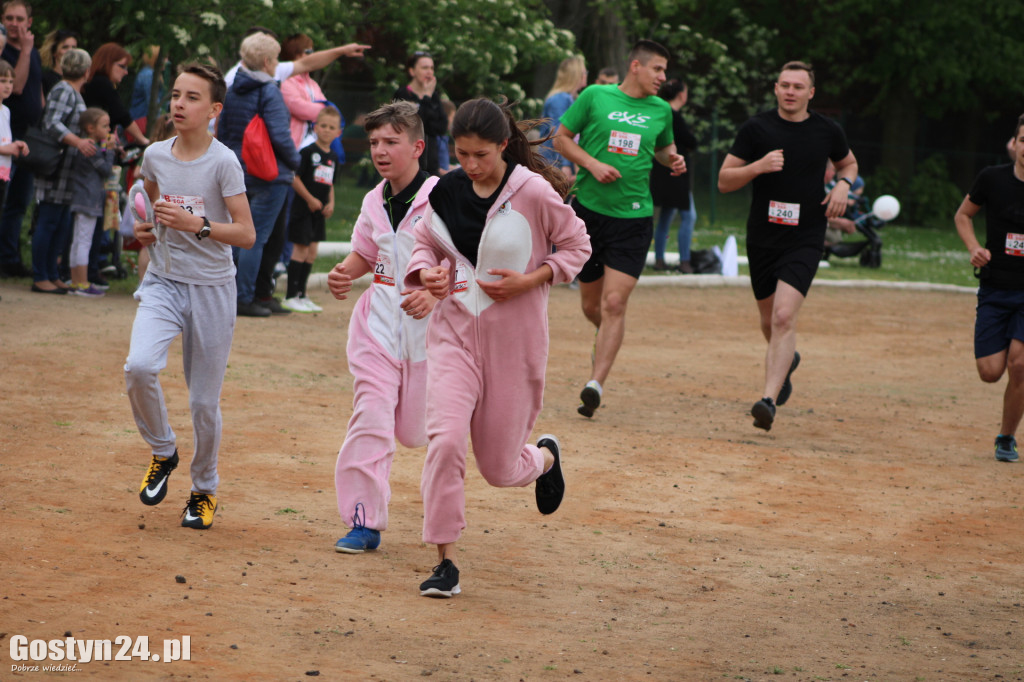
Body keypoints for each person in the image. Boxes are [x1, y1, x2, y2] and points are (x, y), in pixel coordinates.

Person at [406, 98, 591, 597]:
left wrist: (532, 279)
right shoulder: (445, 190)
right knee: (444, 442)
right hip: (453, 337)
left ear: (503, 145)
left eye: (481, 155)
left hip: (516, 346)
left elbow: (577, 246)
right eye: (462, 154)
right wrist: (427, 273)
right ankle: (445, 561)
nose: (470, 165)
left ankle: (546, 459)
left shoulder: (532, 192)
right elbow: (424, 243)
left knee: (498, 468)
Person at [127, 63, 255, 530]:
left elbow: (246, 233)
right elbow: (149, 197)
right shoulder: (155, 155)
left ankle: (204, 489)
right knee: (138, 367)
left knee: (203, 402)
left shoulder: (223, 162)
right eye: (176, 95)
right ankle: (163, 450)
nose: (179, 103)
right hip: (163, 280)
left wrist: (196, 225)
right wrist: (147, 229)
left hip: (212, 289)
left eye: (192, 97)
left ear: (214, 110)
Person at [718, 61, 858, 431]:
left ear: (811, 93)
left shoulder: (828, 131)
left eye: (798, 86)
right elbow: (724, 181)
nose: (790, 91)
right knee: (769, 320)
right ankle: (786, 362)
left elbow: (849, 165)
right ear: (776, 89)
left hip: (806, 236)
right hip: (763, 237)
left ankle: (767, 399)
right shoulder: (756, 128)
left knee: (783, 316)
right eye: (784, 85)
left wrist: (843, 186)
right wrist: (757, 167)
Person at [326, 100, 439, 553]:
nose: (380, 150)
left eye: (391, 141)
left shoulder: (443, 197)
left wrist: (434, 293)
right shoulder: (375, 199)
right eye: (374, 142)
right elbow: (367, 254)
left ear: (417, 146)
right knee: (371, 418)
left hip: (430, 336)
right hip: (376, 328)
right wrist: (344, 272)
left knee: (413, 432)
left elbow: (467, 263)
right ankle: (364, 520)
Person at [552, 39, 684, 419]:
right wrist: (591, 165)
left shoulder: (661, 110)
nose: (663, 77)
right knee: (591, 305)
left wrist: (671, 159)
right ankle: (606, 335)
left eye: (665, 70)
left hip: (635, 217)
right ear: (636, 66)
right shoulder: (595, 96)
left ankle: (595, 382)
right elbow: (561, 139)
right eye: (658, 69)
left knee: (614, 303)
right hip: (589, 214)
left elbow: (662, 149)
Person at [953, 113, 1024, 463]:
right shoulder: (992, 179)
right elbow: (962, 215)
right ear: (1015, 143)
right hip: (996, 288)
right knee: (990, 372)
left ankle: (1007, 437)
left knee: (1019, 363)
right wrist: (974, 248)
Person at [217, 31, 300, 318]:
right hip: (269, 173)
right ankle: (244, 297)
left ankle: (243, 292)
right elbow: (280, 134)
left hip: (239, 170)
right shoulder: (269, 90)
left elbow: (224, 131)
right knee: (256, 237)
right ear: (266, 61)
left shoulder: (233, 89)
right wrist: (295, 161)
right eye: (276, 59)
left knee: (246, 233)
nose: (277, 64)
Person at [29, 47, 93, 295]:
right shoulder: (64, 90)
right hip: (54, 168)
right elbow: (51, 122)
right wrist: (78, 142)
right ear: (87, 71)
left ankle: (52, 274)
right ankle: (40, 275)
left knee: (61, 222)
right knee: (48, 220)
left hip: (67, 172)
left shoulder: (73, 92)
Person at [282, 106, 340, 312]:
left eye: (331, 127)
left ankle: (302, 293)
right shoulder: (307, 152)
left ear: (338, 132)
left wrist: (330, 203)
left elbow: (330, 183)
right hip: (303, 209)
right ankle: (290, 295)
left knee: (312, 252)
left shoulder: (333, 156)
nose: (326, 130)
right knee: (301, 249)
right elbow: (294, 178)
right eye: (323, 125)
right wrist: (309, 199)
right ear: (315, 127)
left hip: (319, 213)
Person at [0, 0, 41, 280]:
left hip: (28, 137)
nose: (14, 23)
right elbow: (19, 85)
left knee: (19, 202)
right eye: (9, 18)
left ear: (29, 22)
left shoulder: (33, 51)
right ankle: (6, 257)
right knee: (6, 201)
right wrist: (25, 51)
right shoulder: (5, 51)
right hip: (6, 139)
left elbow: (36, 88)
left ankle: (11, 257)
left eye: (19, 18)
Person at [651, 78, 698, 272]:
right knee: (689, 216)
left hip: (662, 173)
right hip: (675, 174)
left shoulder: (661, 111)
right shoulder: (674, 115)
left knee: (666, 216)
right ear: (681, 94)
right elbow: (690, 141)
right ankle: (684, 261)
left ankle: (660, 259)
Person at [223, 27, 370, 89]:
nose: (278, 61)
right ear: (266, 60)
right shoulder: (231, 81)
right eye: (274, 57)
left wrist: (342, 50)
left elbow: (307, 64)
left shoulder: (270, 71)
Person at [67, 106, 114, 297]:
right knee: (83, 241)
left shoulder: (88, 147)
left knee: (78, 241)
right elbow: (106, 170)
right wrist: (110, 152)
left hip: (81, 198)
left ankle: (76, 281)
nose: (108, 130)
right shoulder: (90, 149)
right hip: (88, 199)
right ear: (90, 128)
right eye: (105, 126)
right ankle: (83, 283)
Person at [393, 52, 447, 176]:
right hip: (409, 161)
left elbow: (442, 127)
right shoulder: (403, 94)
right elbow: (415, 124)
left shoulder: (434, 96)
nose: (429, 72)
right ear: (412, 71)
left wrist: (427, 100)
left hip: (431, 161)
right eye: (424, 68)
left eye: (432, 68)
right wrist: (426, 99)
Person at [538, 55, 586, 181]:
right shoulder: (560, 99)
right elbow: (558, 133)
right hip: (554, 164)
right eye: (585, 72)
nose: (586, 75)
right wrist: (566, 165)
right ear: (577, 75)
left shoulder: (569, 98)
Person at [128, 45, 162, 136]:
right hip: (142, 119)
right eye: (164, 57)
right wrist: (159, 124)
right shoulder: (149, 75)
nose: (166, 61)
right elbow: (152, 102)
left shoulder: (146, 72)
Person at [38, 28, 77, 96]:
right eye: (65, 47)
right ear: (54, 52)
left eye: (74, 47)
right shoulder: (45, 79)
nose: (71, 51)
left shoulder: (78, 78)